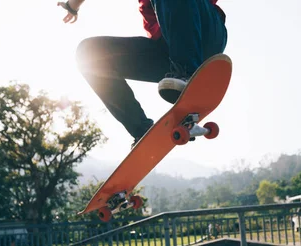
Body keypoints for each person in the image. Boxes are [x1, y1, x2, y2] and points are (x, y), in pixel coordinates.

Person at [57, 0, 227, 146]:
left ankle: (186, 72)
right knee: (89, 54)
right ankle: (142, 130)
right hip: (166, 51)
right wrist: (72, 6)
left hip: (206, 31)